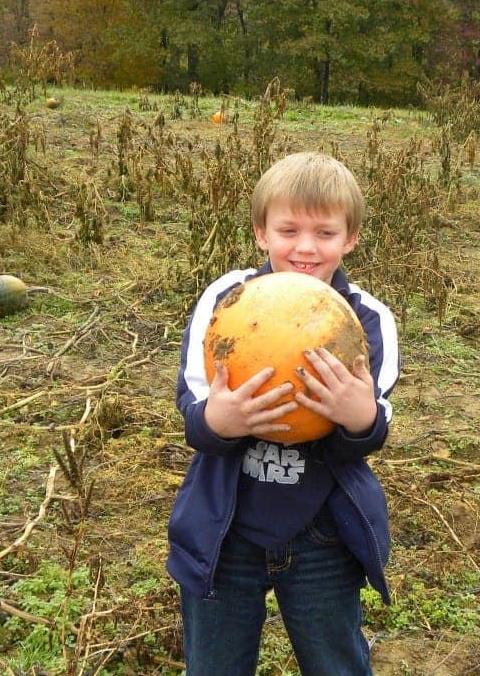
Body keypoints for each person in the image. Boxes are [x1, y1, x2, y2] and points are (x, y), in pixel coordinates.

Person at [167, 151, 400, 676]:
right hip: (225, 527)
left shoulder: (367, 321)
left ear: (351, 238)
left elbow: (370, 427)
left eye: (325, 233)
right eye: (288, 229)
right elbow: (194, 406)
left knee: (335, 661)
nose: (304, 247)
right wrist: (218, 423)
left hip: (322, 528)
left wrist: (357, 418)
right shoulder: (227, 302)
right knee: (214, 666)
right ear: (261, 232)